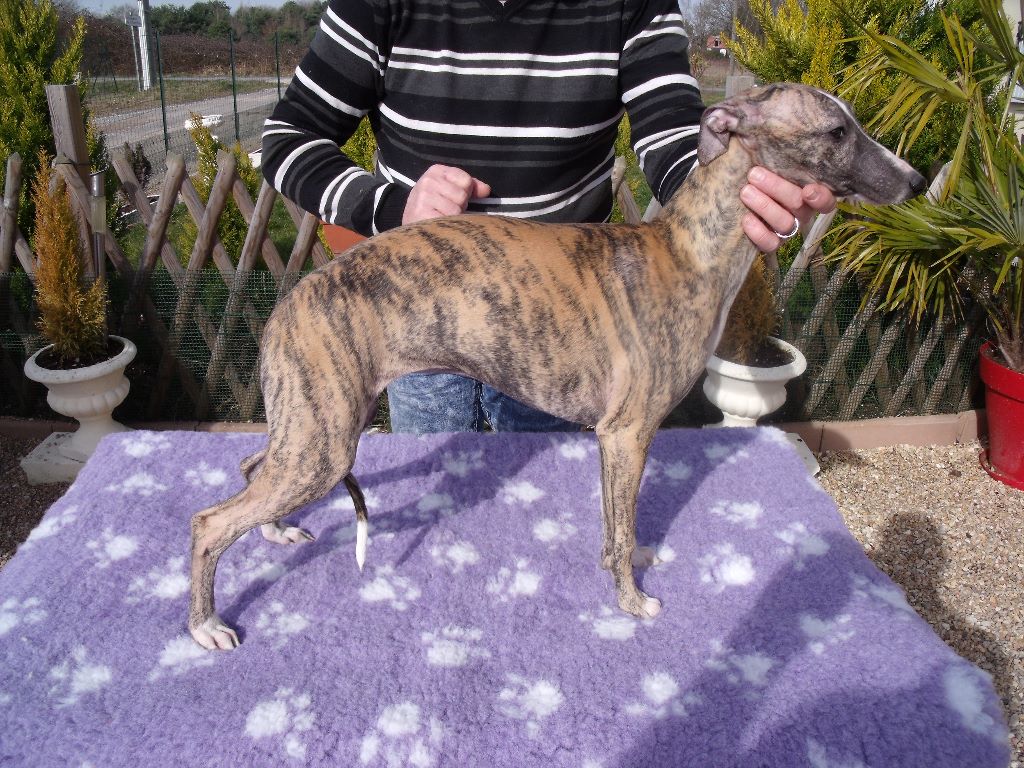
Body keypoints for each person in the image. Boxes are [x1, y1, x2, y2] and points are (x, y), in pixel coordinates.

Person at [261, 0, 836, 434]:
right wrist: (392, 206)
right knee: (442, 511)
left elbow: (674, 141)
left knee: (547, 505)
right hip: (420, 319)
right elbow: (288, 138)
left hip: (565, 332)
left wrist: (739, 192)